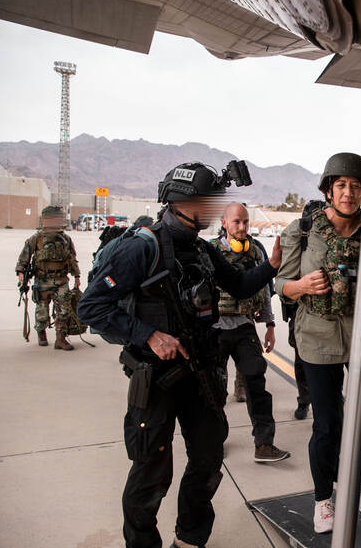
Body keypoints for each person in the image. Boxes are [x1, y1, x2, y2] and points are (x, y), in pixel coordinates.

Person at [77, 161, 281, 548]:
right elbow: (91, 308)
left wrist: (271, 265)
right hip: (155, 379)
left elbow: (237, 284)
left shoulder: (201, 250)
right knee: (152, 472)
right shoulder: (142, 248)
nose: (214, 209)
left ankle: (190, 539)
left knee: (207, 460)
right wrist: (149, 335)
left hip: (199, 373)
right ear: (181, 202)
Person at [276, 152, 361, 534]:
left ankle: (360, 485)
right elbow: (280, 284)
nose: (348, 192)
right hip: (317, 337)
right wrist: (300, 285)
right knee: (328, 425)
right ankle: (323, 498)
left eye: (355, 186)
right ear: (329, 189)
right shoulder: (303, 228)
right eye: (341, 185)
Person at [212, 202, 290, 463]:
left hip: (245, 327)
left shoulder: (257, 251)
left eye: (245, 221)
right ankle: (213, 441)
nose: (242, 227)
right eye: (236, 222)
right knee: (214, 389)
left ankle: (264, 444)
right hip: (215, 330)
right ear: (224, 222)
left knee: (256, 384)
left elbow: (265, 291)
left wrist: (269, 325)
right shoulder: (211, 252)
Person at [15, 205, 81, 349]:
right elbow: (24, 257)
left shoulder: (66, 239)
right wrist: (21, 273)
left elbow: (72, 259)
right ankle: (41, 334)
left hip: (62, 281)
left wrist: (77, 276)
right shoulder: (36, 239)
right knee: (42, 310)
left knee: (64, 311)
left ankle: (61, 339)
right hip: (42, 281)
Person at [281, 299, 312, 420]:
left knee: (334, 360)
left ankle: (335, 397)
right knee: (301, 361)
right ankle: (304, 400)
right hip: (299, 309)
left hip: (329, 311)